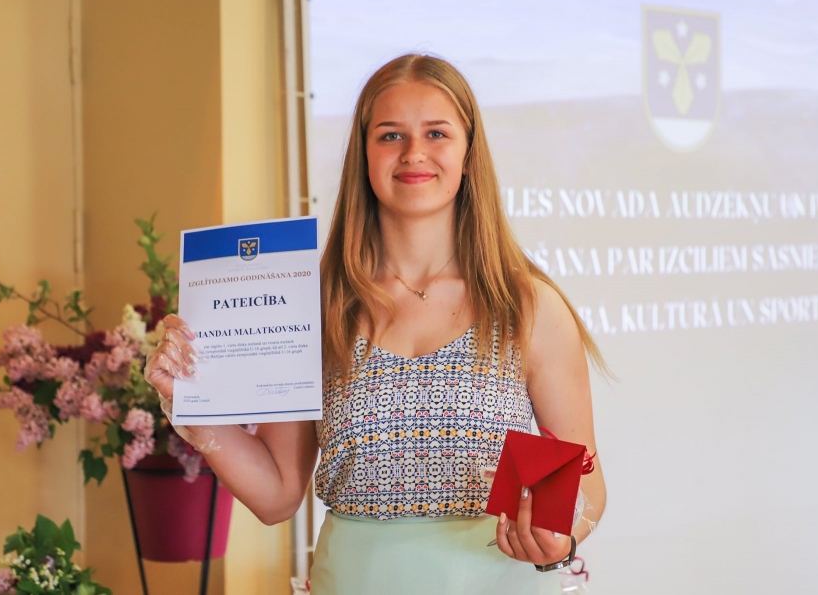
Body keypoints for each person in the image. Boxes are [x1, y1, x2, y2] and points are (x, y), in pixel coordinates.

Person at [145, 54, 607, 594]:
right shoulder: (315, 306)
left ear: (468, 155)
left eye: (437, 133)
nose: (414, 152)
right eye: (390, 135)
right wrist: (193, 413)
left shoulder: (527, 306)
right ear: (364, 156)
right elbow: (277, 496)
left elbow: (587, 487)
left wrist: (562, 535)